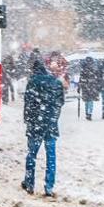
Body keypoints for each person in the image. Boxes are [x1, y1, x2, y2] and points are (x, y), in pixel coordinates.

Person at [21, 60, 64, 197]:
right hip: (50, 125)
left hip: (35, 125)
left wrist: (28, 121)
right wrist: (53, 118)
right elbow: (60, 103)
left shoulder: (32, 82)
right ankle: (49, 186)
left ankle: (29, 184)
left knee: (32, 154)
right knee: (51, 156)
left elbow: (28, 104)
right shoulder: (56, 82)